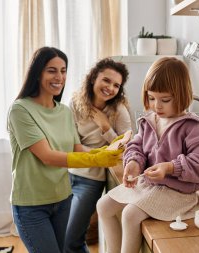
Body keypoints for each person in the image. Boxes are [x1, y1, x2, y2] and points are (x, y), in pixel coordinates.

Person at [7, 47, 123, 253]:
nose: (59, 77)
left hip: (62, 199)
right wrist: (99, 159)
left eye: (63, 70)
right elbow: (48, 157)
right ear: (37, 72)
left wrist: (103, 153)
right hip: (32, 205)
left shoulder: (63, 111)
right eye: (52, 70)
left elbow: (76, 148)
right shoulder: (20, 110)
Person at [96, 57, 199, 253]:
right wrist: (133, 162)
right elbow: (137, 146)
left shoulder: (192, 126)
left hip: (178, 193)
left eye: (165, 100)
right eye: (151, 98)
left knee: (130, 215)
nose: (157, 106)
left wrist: (170, 167)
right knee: (103, 206)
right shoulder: (149, 120)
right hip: (150, 186)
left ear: (182, 95)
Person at [65, 58, 132, 253]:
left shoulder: (118, 110)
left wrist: (105, 126)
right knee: (66, 237)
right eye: (106, 80)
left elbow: (127, 150)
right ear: (94, 77)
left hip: (91, 180)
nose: (110, 88)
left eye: (116, 85)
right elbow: (71, 144)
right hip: (68, 174)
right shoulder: (75, 103)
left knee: (71, 240)